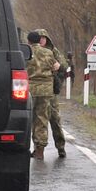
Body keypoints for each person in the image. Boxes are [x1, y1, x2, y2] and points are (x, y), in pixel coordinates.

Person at [26, 29, 65, 159]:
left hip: (30, 89)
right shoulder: (49, 53)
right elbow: (58, 67)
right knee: (41, 119)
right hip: (46, 91)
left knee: (31, 119)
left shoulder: (26, 52)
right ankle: (40, 150)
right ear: (39, 40)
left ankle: (50, 148)